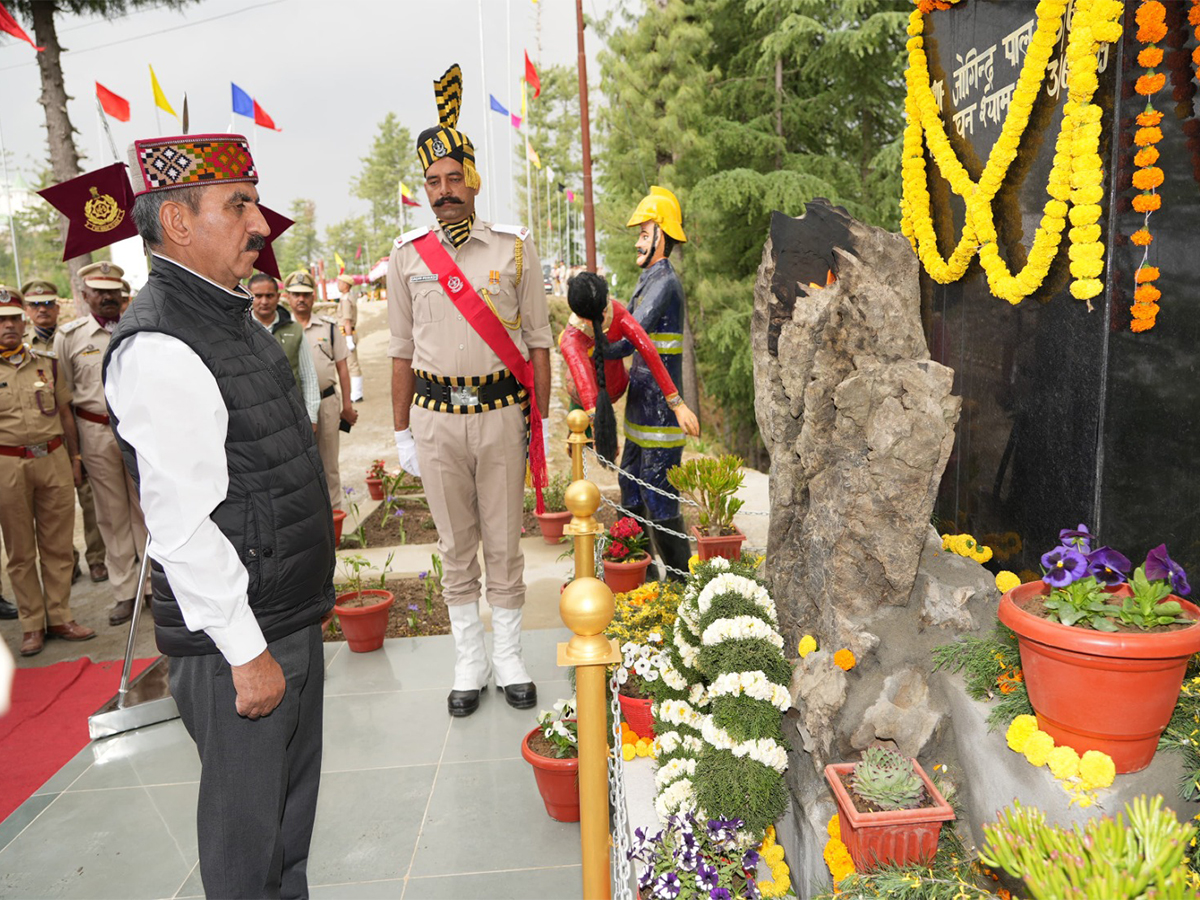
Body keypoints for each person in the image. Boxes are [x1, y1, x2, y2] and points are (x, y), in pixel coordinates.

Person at [102, 133, 335, 899]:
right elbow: (181, 524)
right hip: (239, 639)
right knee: (247, 853)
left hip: (280, 616)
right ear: (177, 222)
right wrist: (245, 652)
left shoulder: (228, 319)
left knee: (283, 839)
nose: (260, 224)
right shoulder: (163, 342)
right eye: (237, 205)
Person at [388, 63, 551, 717]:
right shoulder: (407, 256)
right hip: (434, 419)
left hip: (500, 415)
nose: (445, 190)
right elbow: (398, 351)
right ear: (423, 187)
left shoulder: (514, 249)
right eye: (434, 181)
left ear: (473, 180)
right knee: (455, 544)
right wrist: (400, 431)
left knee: (505, 541)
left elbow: (538, 340)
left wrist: (541, 418)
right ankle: (469, 660)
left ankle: (509, 657)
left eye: (455, 178)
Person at [605, 186, 694, 581]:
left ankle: (679, 582)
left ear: (662, 236)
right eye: (639, 234)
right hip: (643, 407)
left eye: (645, 233)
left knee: (659, 496)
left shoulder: (663, 284)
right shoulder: (647, 280)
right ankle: (642, 575)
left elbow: (629, 337)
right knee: (630, 485)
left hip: (661, 410)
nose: (638, 242)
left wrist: (597, 341)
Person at [0, 287, 95, 656]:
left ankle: (59, 616)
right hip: (8, 464)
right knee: (20, 551)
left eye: (12, 318)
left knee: (57, 546)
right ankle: (31, 624)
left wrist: (75, 459)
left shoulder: (46, 362)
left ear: (22, 321)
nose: (8, 325)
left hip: (53, 458)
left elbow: (65, 414)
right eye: (1, 320)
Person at [54, 261, 150, 625]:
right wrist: (74, 453)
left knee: (147, 505)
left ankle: (155, 585)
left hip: (139, 430)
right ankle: (126, 592)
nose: (108, 297)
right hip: (95, 431)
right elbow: (64, 396)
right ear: (85, 295)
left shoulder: (138, 327)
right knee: (110, 514)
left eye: (113, 291)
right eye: (100, 291)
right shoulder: (70, 336)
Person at [558, 271, 698, 466]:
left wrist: (677, 404)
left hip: (613, 386)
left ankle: (583, 434)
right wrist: (602, 432)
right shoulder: (572, 338)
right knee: (579, 397)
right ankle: (580, 435)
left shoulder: (616, 313)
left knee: (583, 400)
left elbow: (648, 351)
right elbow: (586, 387)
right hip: (585, 393)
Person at [22, 277, 109, 585]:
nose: (42, 310)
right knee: (52, 509)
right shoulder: (21, 346)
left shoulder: (71, 337)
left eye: (47, 303)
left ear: (57, 307)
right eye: (35, 305)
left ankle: (97, 559)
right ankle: (67, 559)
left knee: (90, 497)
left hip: (76, 430)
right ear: (26, 311)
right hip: (42, 436)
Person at [284, 270, 357, 510]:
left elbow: (342, 369)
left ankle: (334, 515)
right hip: (295, 406)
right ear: (287, 297)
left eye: (305, 294)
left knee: (329, 463)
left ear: (313, 297)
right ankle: (310, 514)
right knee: (299, 463)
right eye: (296, 294)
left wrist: (347, 405)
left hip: (327, 403)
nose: (301, 299)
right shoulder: (283, 329)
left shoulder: (328, 328)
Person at [248, 272, 321, 430]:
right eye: (258, 296)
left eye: (269, 295)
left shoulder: (295, 330)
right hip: (254, 418)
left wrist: (312, 417)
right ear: (249, 296)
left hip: (291, 415)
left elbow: (308, 376)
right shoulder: (239, 330)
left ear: (278, 296)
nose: (264, 301)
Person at [336, 272, 363, 402]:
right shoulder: (345, 297)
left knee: (352, 364)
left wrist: (348, 339)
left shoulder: (346, 299)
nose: (338, 284)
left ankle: (357, 393)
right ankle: (356, 392)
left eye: (340, 282)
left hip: (347, 333)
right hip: (346, 333)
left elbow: (347, 321)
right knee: (350, 364)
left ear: (346, 285)